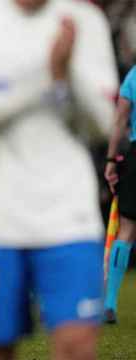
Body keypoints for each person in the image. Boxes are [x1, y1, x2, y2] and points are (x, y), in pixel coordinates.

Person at [0, 0, 118, 359]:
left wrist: (67, 75)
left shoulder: (84, 21)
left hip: (68, 215)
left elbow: (101, 123)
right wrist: (45, 76)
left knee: (78, 346)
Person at [104, 61, 136, 325]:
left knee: (126, 228)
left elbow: (119, 119)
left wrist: (111, 159)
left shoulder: (134, 75)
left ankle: (110, 303)